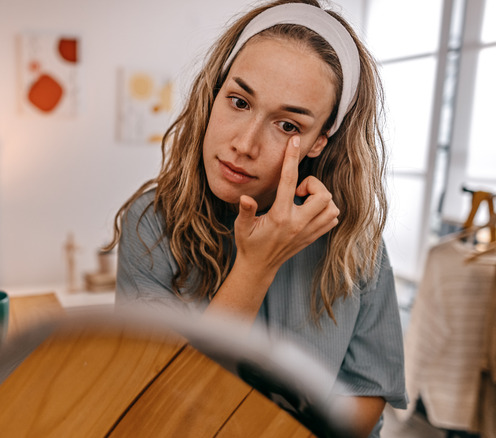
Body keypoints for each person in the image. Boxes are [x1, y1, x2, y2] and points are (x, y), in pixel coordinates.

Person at [107, 1, 407, 436]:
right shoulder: (152, 224)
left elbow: (366, 397)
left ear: (320, 142)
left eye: (287, 125)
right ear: (214, 92)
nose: (244, 144)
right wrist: (255, 265)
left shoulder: (353, 240)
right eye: (239, 101)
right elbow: (164, 395)